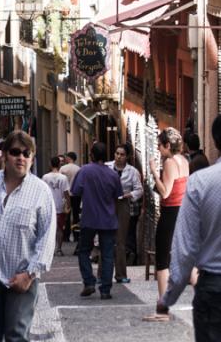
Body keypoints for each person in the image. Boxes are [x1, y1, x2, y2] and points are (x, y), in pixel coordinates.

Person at [0, 130, 56, 342]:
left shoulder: (41, 191)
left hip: (21, 276)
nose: (21, 158)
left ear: (32, 158)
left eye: (27, 153)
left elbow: (47, 238)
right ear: (3, 155)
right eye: (15, 152)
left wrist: (30, 275)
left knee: (17, 336)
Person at [156, 114, 221, 339]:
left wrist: (168, 299)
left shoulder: (202, 182)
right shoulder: (189, 170)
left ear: (214, 141)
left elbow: (186, 249)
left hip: (214, 288)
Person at [143, 127, 189, 323]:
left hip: (170, 213)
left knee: (162, 261)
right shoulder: (184, 161)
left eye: (160, 146)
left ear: (168, 146)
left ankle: (162, 309)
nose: (159, 150)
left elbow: (165, 192)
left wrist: (154, 172)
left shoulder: (170, 162)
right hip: (182, 211)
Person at [71, 142, 122, 300]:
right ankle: (105, 290)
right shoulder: (113, 174)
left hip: (89, 218)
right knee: (107, 255)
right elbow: (118, 195)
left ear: (91, 155)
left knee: (84, 251)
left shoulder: (85, 170)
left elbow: (75, 191)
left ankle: (89, 282)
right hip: (108, 219)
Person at [105, 143, 143, 283]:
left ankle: (121, 275)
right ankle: (101, 275)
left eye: (122, 154)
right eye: (117, 153)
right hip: (107, 204)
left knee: (120, 241)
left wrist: (129, 194)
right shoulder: (106, 167)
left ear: (127, 156)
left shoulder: (132, 171)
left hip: (122, 205)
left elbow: (139, 190)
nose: (118, 157)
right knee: (106, 239)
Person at [43, 156, 70, 256]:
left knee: (49, 229)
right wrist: (68, 204)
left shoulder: (45, 177)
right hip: (60, 206)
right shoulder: (63, 178)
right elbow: (66, 193)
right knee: (60, 228)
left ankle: (50, 248)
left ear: (50, 164)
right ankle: (59, 248)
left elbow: (43, 192)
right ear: (59, 164)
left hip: (48, 206)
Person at [60, 151, 80, 243]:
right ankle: (76, 235)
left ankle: (66, 235)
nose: (66, 159)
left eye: (67, 157)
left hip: (66, 194)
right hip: (76, 194)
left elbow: (60, 181)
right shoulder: (78, 169)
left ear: (69, 158)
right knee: (76, 215)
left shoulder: (63, 168)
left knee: (66, 215)